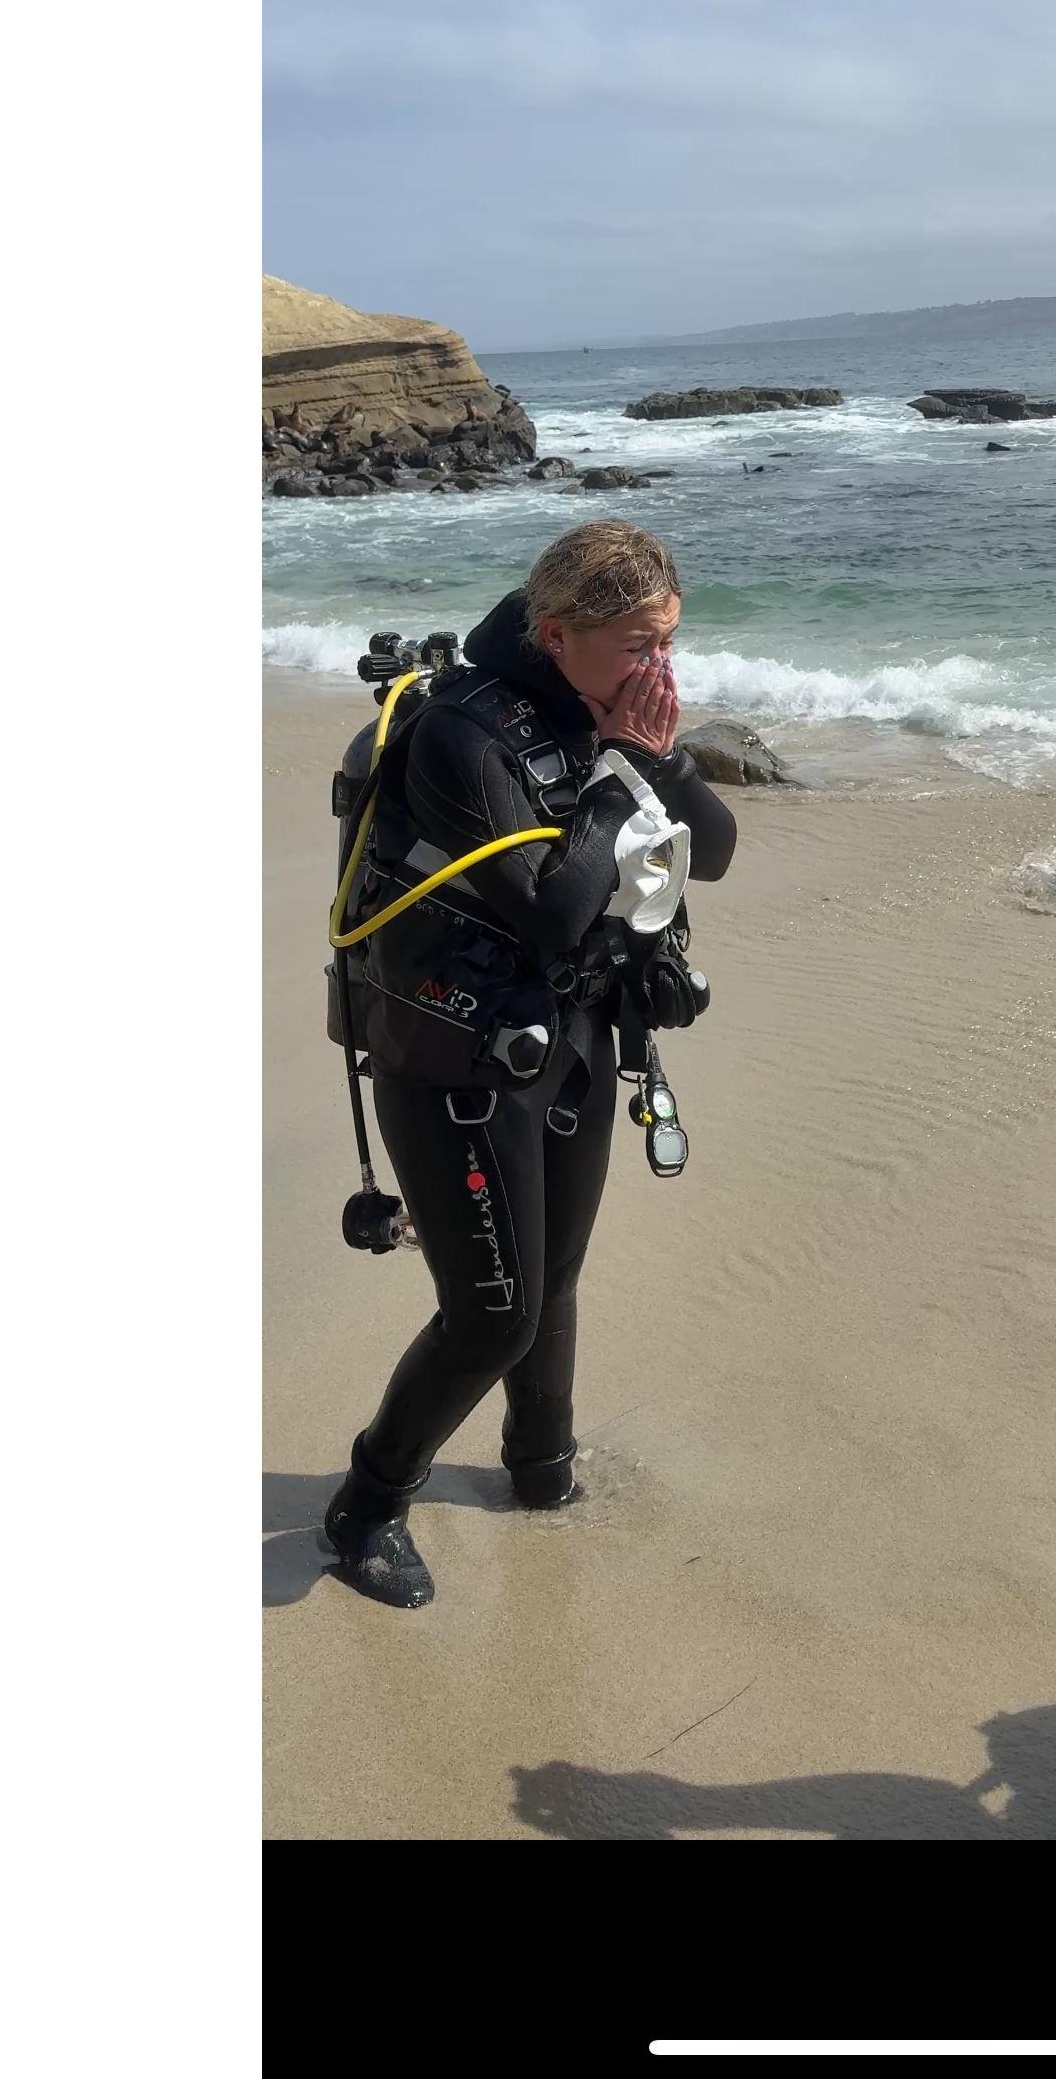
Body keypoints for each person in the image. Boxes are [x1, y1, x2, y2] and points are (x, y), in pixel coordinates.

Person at [321, 522, 738, 1608]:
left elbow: (721, 850)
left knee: (554, 1280)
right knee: (491, 1312)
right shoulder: (462, 733)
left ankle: (539, 1466)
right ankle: (367, 1502)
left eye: (670, 644)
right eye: (637, 648)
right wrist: (621, 773)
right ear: (555, 634)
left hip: (576, 1038)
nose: (660, 670)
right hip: (453, 1055)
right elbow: (552, 909)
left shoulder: (586, 708)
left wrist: (658, 754)